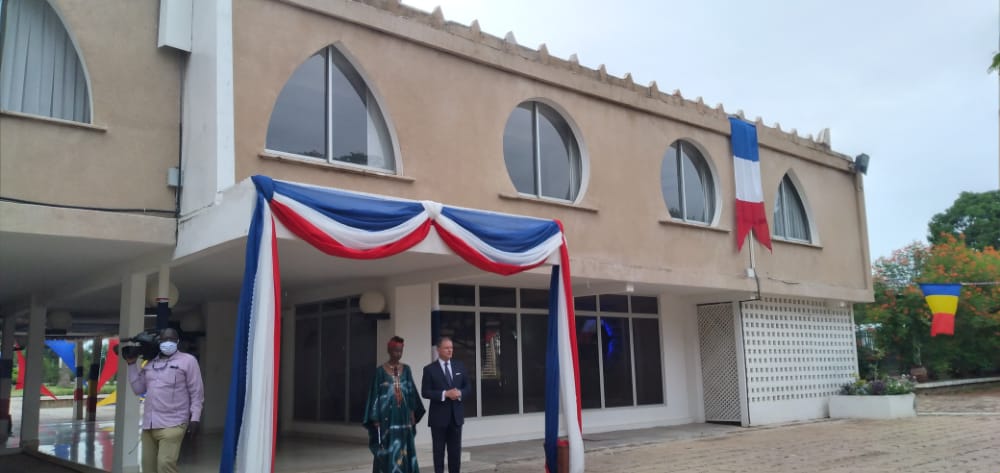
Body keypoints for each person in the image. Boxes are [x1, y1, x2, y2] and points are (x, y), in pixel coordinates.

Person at [125, 328, 204, 473]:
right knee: (148, 468)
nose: (168, 343)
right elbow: (138, 389)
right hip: (150, 425)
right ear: (159, 342)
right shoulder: (150, 363)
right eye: (165, 340)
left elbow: (196, 392)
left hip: (174, 423)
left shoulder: (188, 361)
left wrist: (195, 418)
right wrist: (131, 364)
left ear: (177, 342)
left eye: (172, 340)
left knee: (165, 464)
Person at [364, 336, 426, 473]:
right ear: (389, 350)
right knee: (386, 448)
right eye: (395, 351)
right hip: (386, 419)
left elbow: (411, 392)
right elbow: (375, 396)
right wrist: (375, 418)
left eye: (400, 351)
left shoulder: (407, 370)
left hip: (403, 418)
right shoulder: (380, 372)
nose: (398, 354)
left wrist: (412, 412)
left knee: (405, 447)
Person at [421, 337, 470, 473]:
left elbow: (468, 387)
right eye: (446, 348)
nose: (450, 350)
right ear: (438, 350)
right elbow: (425, 392)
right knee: (439, 453)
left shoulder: (459, 366)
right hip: (438, 419)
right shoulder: (429, 369)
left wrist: (460, 393)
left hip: (456, 418)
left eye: (451, 348)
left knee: (455, 453)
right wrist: (444, 394)